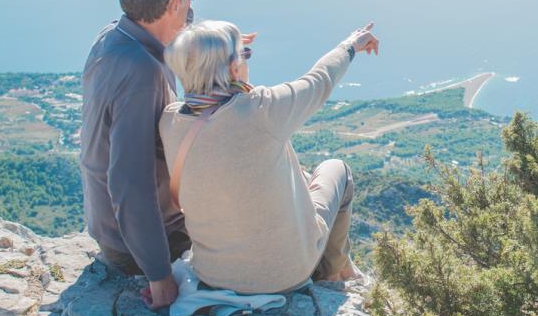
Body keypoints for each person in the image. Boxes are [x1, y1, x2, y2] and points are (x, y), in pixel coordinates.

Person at [160, 20, 381, 295]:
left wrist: (210, 47)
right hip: (285, 275)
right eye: (245, 55)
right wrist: (352, 43)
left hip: (214, 274)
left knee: (296, 173)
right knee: (338, 171)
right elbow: (320, 79)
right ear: (233, 68)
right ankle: (336, 272)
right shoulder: (261, 109)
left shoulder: (169, 121)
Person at [79, 0, 203, 310]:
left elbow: (174, 20)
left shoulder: (114, 37)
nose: (190, 9)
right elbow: (130, 182)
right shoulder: (142, 75)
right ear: (173, 4)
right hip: (140, 246)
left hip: (112, 228)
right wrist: (159, 275)